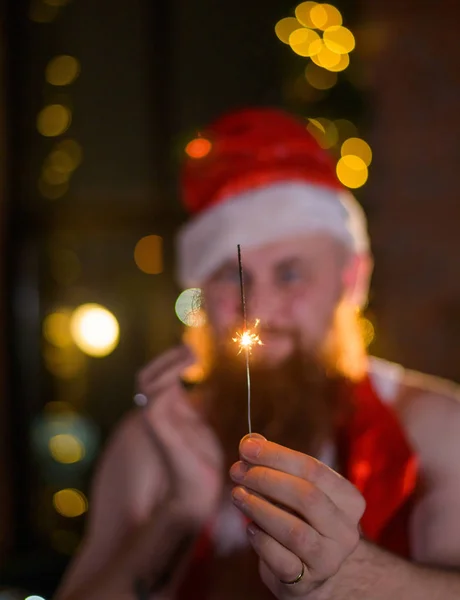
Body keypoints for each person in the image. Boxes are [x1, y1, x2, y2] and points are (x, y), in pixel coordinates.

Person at [54, 107, 460, 600]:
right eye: (233, 276)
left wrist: (350, 575)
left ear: (351, 279)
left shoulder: (436, 431)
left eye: (290, 273)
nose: (258, 310)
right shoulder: (154, 444)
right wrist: (178, 512)